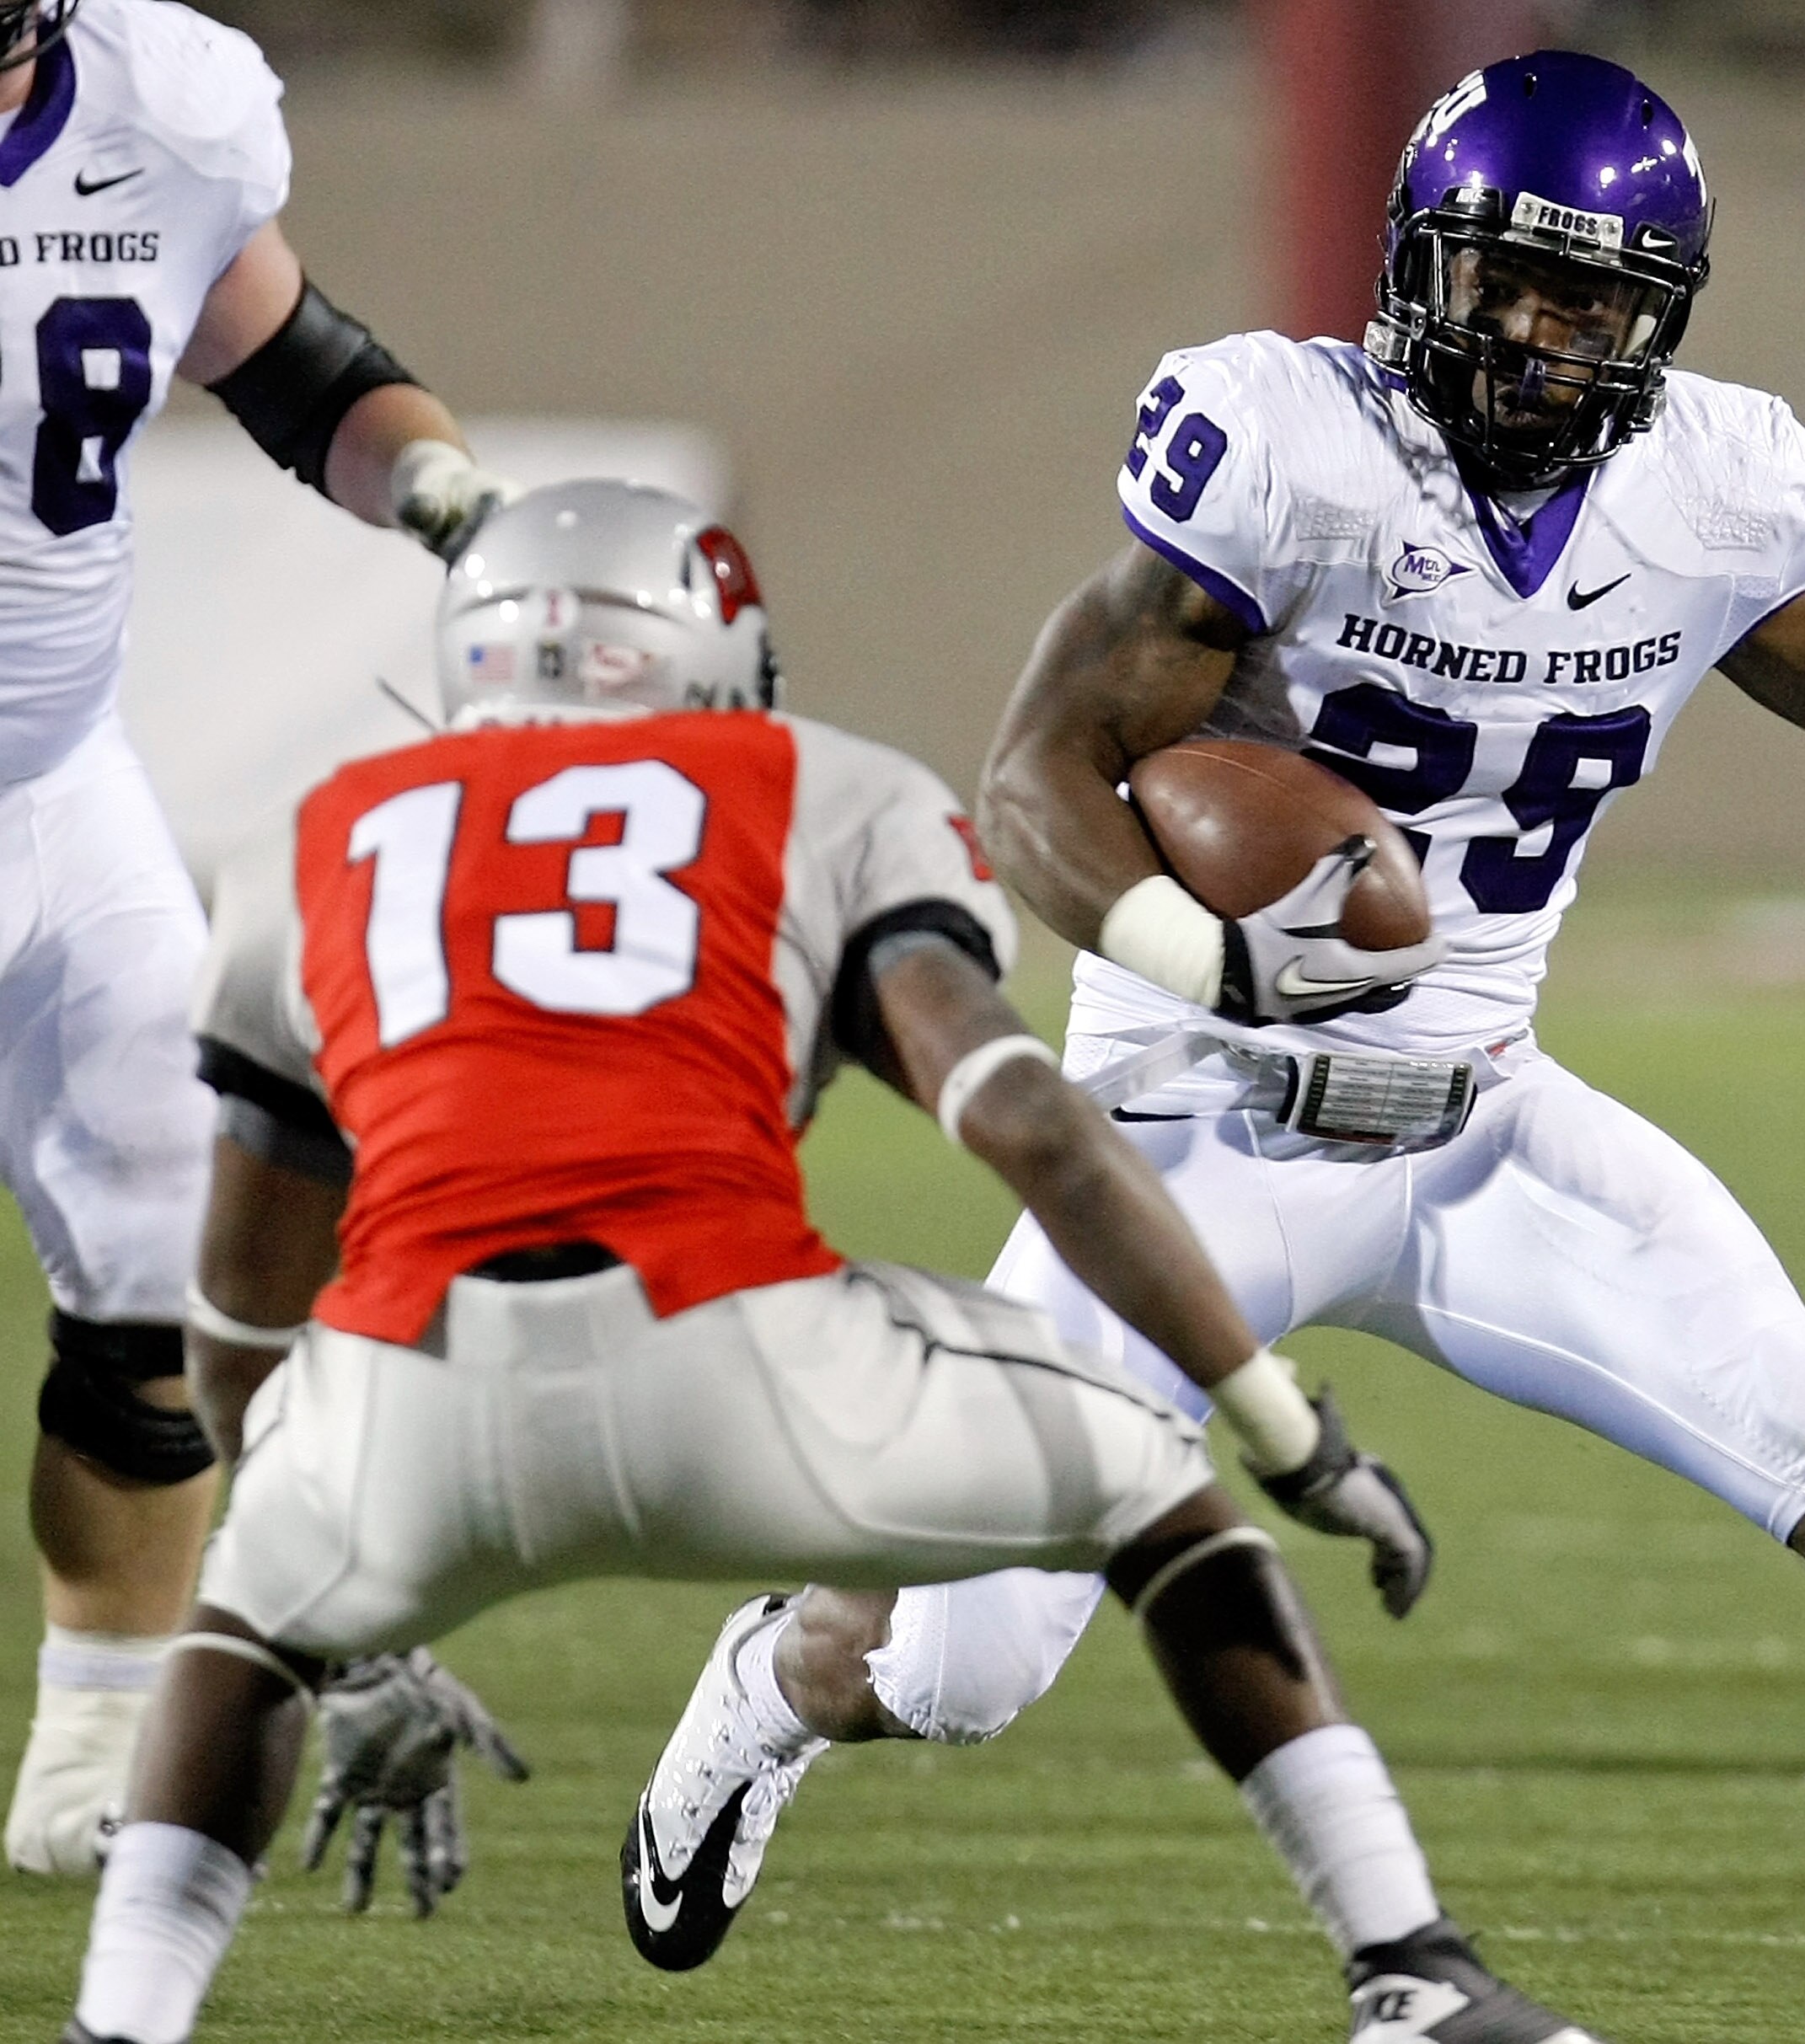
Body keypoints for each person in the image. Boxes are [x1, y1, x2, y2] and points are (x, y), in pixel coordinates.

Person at [715, 49, 1805, 2019]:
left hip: (1482, 1124)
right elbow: (1040, 770)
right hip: (1192, 1122)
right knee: (962, 1674)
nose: (1539, 334)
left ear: (1662, 323)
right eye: (1504, 279)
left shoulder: (1705, 494)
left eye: (1592, 301)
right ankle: (777, 1677)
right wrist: (1216, 966)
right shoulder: (1290, 447)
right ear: (1418, 263)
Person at [61, 479, 1600, 2044]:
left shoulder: (310, 844)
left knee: (242, 1624)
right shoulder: (820, 787)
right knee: (1161, 1492)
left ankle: (124, 2015)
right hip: (739, 1367)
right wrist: (1288, 1430)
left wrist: (339, 1611)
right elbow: (1038, 1134)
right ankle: (1404, 1962)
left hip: (412, 1389)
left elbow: (239, 1320)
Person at [0, 0, 515, 1873]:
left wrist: (453, 502)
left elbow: (297, 369)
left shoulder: (167, 108)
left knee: (155, 1288)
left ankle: (99, 1734)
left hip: (56, 790)